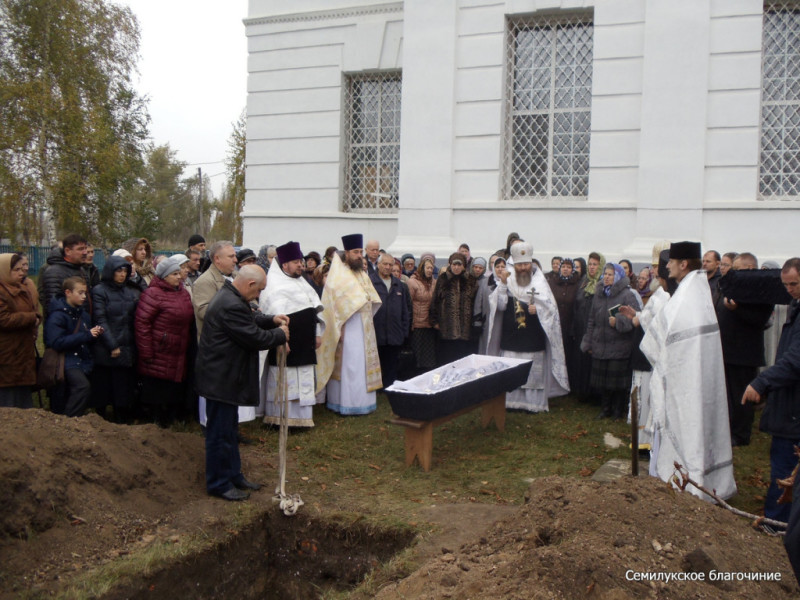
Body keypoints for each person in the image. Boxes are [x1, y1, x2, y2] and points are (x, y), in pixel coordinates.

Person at [640, 241, 736, 501]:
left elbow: (663, 337)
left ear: (683, 264)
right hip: (693, 376)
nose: (667, 265)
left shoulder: (687, 296)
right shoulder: (696, 290)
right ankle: (700, 478)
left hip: (685, 381)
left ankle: (687, 479)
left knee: (688, 426)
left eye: (671, 261)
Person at [196, 265, 289, 501]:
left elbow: (251, 318)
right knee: (219, 433)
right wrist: (281, 335)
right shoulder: (230, 303)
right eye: (258, 290)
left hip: (227, 376)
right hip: (221, 379)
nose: (258, 295)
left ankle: (233, 475)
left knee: (230, 430)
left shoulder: (232, 296)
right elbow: (253, 337)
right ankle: (218, 483)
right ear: (249, 285)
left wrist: (271, 319)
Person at [742, 257, 800, 524]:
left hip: (794, 412)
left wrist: (761, 382)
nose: (789, 290)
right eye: (786, 284)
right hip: (788, 404)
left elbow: (794, 362)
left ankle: (778, 523)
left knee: (786, 469)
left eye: (794, 284)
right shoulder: (796, 307)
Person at [484, 241, 569, 412]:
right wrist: (501, 286)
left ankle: (532, 405)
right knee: (512, 368)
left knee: (532, 372)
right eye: (519, 264)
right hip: (511, 335)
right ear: (514, 265)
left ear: (531, 264)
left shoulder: (540, 282)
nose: (523, 268)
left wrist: (537, 309)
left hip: (533, 336)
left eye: (525, 264)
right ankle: (510, 402)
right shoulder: (507, 280)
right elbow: (500, 306)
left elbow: (550, 309)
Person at [259, 242, 324, 428]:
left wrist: (317, 334)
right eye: (296, 262)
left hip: (305, 342)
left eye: (301, 261)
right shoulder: (273, 285)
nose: (301, 265)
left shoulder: (303, 282)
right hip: (285, 342)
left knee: (303, 377)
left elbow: (315, 312)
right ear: (285, 264)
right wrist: (280, 340)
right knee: (286, 378)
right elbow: (272, 316)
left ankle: (302, 419)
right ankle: (280, 419)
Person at [316, 234, 382, 415]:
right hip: (347, 327)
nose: (359, 255)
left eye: (361, 252)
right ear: (347, 253)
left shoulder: (361, 273)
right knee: (349, 365)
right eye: (356, 252)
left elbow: (371, 296)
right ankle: (345, 402)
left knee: (362, 365)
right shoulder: (338, 274)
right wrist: (340, 327)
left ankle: (363, 402)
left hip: (364, 326)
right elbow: (332, 303)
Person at [714, 252, 772, 447]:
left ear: (749, 269)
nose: (733, 273)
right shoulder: (734, 286)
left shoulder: (759, 290)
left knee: (741, 395)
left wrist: (736, 309)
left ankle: (740, 434)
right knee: (728, 395)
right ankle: (728, 429)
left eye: (737, 270)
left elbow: (760, 320)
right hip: (727, 350)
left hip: (744, 353)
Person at [135, 257, 195, 427]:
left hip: (179, 348)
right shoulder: (152, 294)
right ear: (164, 276)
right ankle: (155, 420)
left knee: (173, 385)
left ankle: (170, 418)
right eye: (174, 274)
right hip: (160, 348)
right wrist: (146, 351)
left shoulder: (182, 292)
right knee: (157, 386)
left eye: (179, 273)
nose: (179, 277)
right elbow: (142, 323)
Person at [580, 264, 638, 419]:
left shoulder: (627, 295)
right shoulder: (599, 294)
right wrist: (589, 341)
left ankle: (618, 410)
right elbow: (592, 319)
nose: (606, 277)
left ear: (618, 277)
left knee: (617, 384)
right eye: (605, 274)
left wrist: (618, 322)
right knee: (604, 381)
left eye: (610, 274)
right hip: (601, 343)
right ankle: (605, 409)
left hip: (619, 345)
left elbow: (635, 319)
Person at [90, 256, 141, 423]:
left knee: (122, 386)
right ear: (110, 271)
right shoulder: (99, 290)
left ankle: (122, 417)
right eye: (119, 270)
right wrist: (112, 345)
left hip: (126, 344)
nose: (122, 274)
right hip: (106, 346)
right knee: (104, 385)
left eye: (125, 271)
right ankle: (100, 418)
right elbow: (100, 319)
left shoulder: (128, 291)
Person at [44, 276, 102, 417]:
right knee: (82, 387)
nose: (83, 297)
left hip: (82, 359)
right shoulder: (57, 316)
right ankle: (69, 421)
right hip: (65, 360)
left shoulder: (83, 315)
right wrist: (87, 335)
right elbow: (55, 342)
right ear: (68, 292)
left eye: (85, 293)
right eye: (80, 293)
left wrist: (95, 333)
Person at [0, 253, 40, 408]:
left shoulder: (20, 287)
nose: (21, 272)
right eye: (16, 270)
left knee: (21, 393)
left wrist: (36, 318)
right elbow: (3, 319)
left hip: (21, 350)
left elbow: (33, 308)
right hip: (6, 352)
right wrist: (31, 318)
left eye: (21, 269)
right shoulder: (2, 291)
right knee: (8, 397)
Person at [429, 252, 479, 365]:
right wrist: (434, 321)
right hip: (447, 329)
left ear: (464, 266)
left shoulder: (471, 281)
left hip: (465, 330)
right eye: (454, 264)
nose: (456, 267)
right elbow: (435, 301)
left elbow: (475, 303)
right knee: (446, 360)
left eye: (459, 265)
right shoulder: (443, 279)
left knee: (461, 361)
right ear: (450, 265)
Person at [370, 253, 411, 388]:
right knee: (376, 362)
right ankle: (377, 387)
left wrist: (404, 331)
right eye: (385, 264)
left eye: (390, 264)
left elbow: (405, 310)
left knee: (392, 362)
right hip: (377, 332)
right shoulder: (371, 282)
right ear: (378, 265)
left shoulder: (399, 285)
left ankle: (390, 386)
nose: (387, 267)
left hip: (395, 332)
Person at [572, 251, 605, 402]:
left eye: (595, 264)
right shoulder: (583, 282)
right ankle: (581, 391)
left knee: (592, 362)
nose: (592, 267)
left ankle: (594, 394)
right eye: (590, 264)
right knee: (580, 361)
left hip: (595, 329)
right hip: (580, 328)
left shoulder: (603, 284)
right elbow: (576, 305)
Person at [39, 234, 91, 320]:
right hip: (66, 328)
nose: (85, 252)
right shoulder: (54, 273)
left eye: (85, 248)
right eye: (80, 249)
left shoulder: (81, 270)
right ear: (67, 251)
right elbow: (54, 306)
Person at [548, 258, 580, 386]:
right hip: (556, 325)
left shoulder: (577, 285)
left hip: (569, 326)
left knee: (568, 355)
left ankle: (568, 382)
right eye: (563, 267)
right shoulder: (553, 283)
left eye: (568, 267)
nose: (565, 269)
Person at [407, 256, 437, 374]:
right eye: (427, 267)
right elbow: (408, 304)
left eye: (431, 268)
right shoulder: (412, 282)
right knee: (416, 358)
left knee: (428, 359)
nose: (430, 270)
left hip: (429, 325)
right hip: (417, 325)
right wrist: (410, 324)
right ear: (421, 268)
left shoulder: (434, 282)